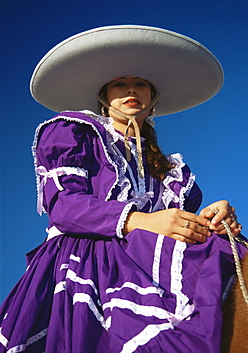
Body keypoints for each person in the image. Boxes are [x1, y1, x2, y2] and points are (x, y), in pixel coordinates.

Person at [0, 25, 247, 353]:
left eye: (141, 84)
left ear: (153, 96)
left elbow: (174, 224)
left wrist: (206, 220)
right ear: (104, 95)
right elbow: (64, 206)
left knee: (226, 254)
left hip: (150, 257)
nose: (132, 89)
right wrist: (143, 221)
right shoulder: (74, 132)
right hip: (87, 254)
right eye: (120, 83)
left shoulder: (171, 170)